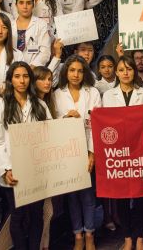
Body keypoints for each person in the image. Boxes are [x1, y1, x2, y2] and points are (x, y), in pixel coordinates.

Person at [0, 61, 51, 249]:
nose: (22, 80)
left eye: (25, 76)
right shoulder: (0, 106)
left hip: (37, 170)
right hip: (12, 171)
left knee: (37, 214)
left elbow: (49, 135)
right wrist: (6, 169)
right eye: (17, 76)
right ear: (10, 80)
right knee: (18, 215)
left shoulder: (39, 105)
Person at [102, 55, 143, 250]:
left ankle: (140, 237)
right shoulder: (108, 96)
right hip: (118, 154)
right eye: (122, 69)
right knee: (121, 197)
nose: (126, 73)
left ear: (134, 71)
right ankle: (127, 238)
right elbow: (106, 125)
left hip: (140, 151)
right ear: (116, 72)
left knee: (142, 196)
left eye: (129, 69)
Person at [52, 55, 101, 250]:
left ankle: (89, 234)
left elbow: (96, 125)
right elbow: (52, 124)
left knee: (88, 197)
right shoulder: (57, 94)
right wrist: (65, 118)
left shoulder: (93, 92)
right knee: (71, 197)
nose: (76, 74)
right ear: (65, 72)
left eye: (80, 71)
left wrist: (92, 153)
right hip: (66, 152)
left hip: (87, 149)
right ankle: (77, 236)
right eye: (72, 70)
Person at [31, 66, 57, 250]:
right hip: (32, 165)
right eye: (43, 79)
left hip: (46, 164)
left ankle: (44, 245)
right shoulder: (33, 103)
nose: (47, 82)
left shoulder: (47, 102)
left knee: (47, 210)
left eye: (50, 79)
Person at [0, 13, 23, 92]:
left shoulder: (17, 54)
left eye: (4, 27)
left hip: (10, 97)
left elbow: (21, 79)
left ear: (8, 31)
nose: (0, 31)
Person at [13, 0, 51, 67]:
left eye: (28, 3)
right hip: (13, 70)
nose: (25, 6)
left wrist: (33, 66)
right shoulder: (9, 25)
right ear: (16, 5)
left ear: (33, 5)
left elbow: (45, 51)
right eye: (21, 3)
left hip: (34, 70)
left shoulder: (41, 24)